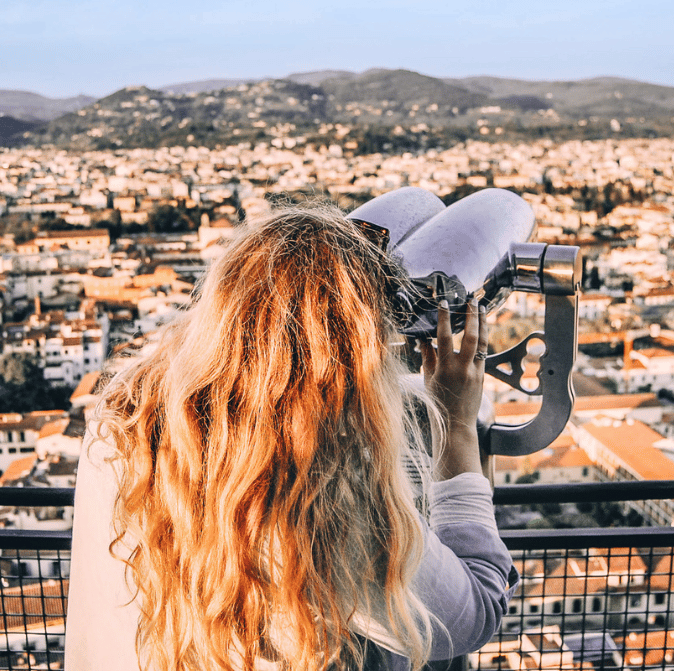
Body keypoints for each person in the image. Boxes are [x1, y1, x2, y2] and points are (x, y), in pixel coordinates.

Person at [65, 206, 517, 671]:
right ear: (345, 356)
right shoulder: (317, 498)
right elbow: (472, 613)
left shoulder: (122, 419)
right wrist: (458, 422)